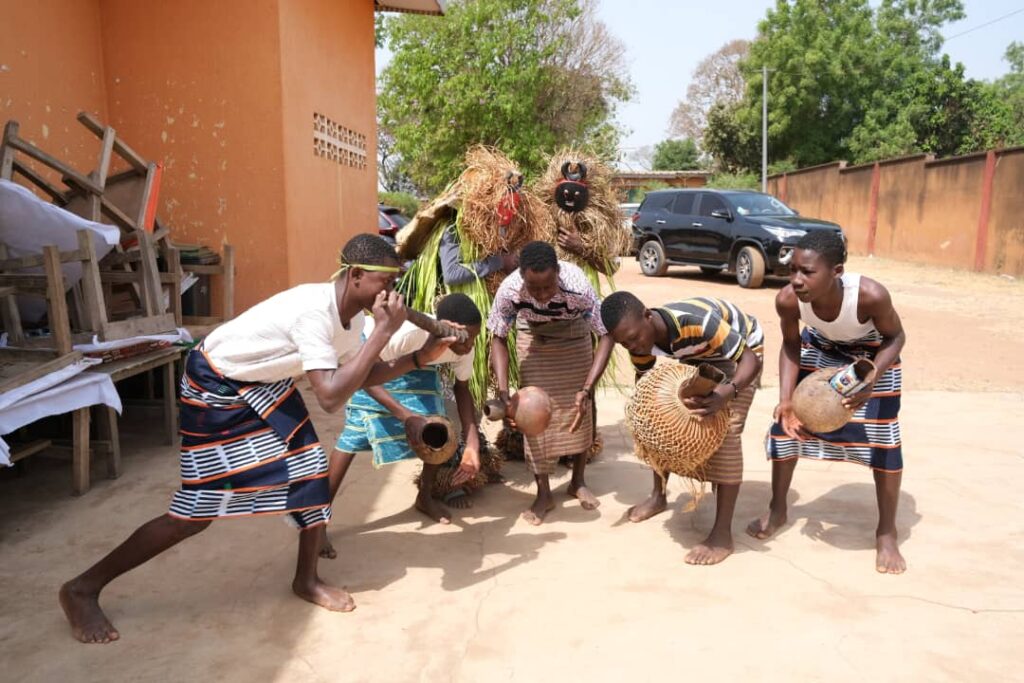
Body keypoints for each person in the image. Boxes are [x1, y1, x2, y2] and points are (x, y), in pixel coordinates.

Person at [59, 234, 455, 644]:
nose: (391, 294)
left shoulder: (353, 317)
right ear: (356, 276)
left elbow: (358, 376)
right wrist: (382, 335)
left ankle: (306, 580)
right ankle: (81, 588)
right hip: (215, 380)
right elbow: (331, 397)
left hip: (261, 381)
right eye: (385, 283)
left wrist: (421, 357)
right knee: (196, 513)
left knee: (311, 470)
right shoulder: (313, 313)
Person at [747, 230, 907, 574]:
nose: (797, 279)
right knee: (784, 430)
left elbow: (896, 336)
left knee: (882, 440)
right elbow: (791, 346)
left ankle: (886, 531)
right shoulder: (788, 299)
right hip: (820, 348)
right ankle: (778, 509)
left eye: (807, 271)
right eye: (792, 270)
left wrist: (870, 378)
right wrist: (786, 400)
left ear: (837, 272)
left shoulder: (870, 295)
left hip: (873, 357)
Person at [600, 291, 764, 565]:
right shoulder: (640, 344)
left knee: (727, 432)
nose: (633, 346)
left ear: (648, 316)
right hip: (699, 356)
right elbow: (647, 391)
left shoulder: (695, 322)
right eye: (624, 343)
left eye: (634, 337)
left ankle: (722, 535)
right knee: (655, 420)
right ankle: (658, 496)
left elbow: (750, 361)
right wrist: (648, 416)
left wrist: (726, 392)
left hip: (742, 355)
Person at [320, 293, 485, 559]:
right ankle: (317, 521)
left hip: (420, 367)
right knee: (353, 435)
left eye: (474, 338)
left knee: (437, 428)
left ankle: (425, 497)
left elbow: (462, 389)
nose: (470, 346)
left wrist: (472, 444)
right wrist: (405, 415)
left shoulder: (466, 345)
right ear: (449, 327)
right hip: (375, 366)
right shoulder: (406, 335)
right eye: (466, 338)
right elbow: (366, 375)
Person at [488, 241, 615, 525]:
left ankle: (577, 481)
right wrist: (503, 389)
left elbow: (606, 335)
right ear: (522, 277)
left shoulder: (578, 287)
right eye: (534, 288)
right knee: (532, 416)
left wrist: (587, 387)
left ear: (557, 272)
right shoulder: (510, 290)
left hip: (574, 340)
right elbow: (497, 335)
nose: (543, 295)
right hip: (533, 340)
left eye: (548, 286)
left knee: (579, 412)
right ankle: (544, 493)